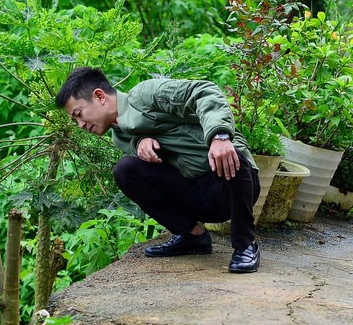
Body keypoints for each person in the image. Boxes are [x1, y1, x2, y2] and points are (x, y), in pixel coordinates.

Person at [55, 67, 261, 273]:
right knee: (125, 170)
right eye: (75, 121)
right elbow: (154, 167)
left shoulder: (145, 94)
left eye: (79, 114)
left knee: (233, 156)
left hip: (230, 184)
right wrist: (141, 143)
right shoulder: (119, 135)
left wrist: (220, 137)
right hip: (195, 194)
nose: (80, 124)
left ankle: (246, 245)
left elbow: (204, 91)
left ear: (99, 96)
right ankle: (193, 237)